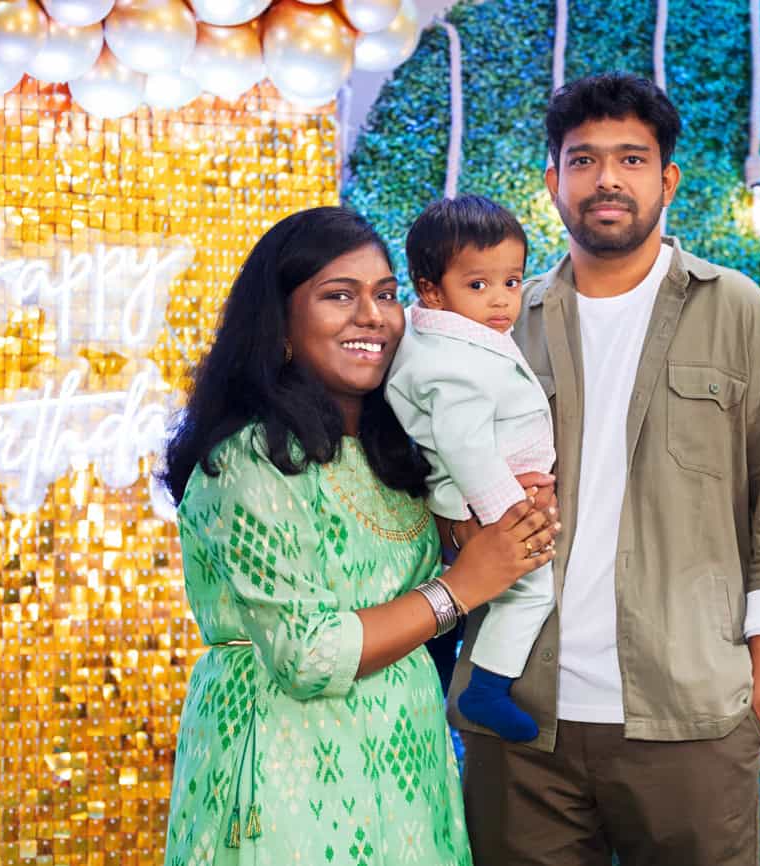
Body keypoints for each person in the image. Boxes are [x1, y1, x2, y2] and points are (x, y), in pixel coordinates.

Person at [447, 74, 760, 866]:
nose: (607, 179)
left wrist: (759, 686)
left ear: (667, 180)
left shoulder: (740, 312)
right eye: (583, 160)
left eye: (631, 158)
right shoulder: (502, 330)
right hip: (522, 721)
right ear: (552, 183)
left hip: (691, 720)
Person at [158, 206, 558, 866]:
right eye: (339, 295)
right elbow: (307, 654)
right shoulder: (247, 462)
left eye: (386, 294)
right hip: (283, 768)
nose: (372, 315)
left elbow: (404, 559)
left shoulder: (392, 449)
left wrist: (482, 527)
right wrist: (460, 587)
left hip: (408, 764)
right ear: (281, 321)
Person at [386, 195, 556, 743]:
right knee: (532, 590)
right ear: (431, 289)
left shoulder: (453, 337)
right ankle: (486, 687)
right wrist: (511, 519)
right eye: (478, 285)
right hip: (483, 498)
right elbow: (467, 449)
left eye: (512, 281)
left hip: (490, 491)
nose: (502, 301)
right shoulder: (452, 363)